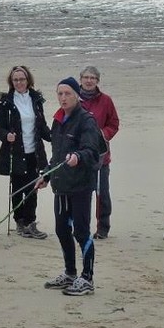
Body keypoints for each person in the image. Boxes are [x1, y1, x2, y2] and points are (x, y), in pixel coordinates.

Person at [37, 77, 101, 296]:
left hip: (81, 185)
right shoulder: (58, 119)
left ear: (76, 95)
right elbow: (57, 155)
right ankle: (70, 273)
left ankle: (87, 278)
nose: (63, 98)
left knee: (81, 231)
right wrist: (46, 175)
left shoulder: (86, 120)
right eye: (60, 94)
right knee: (62, 230)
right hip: (61, 184)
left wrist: (78, 156)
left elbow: (92, 152)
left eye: (67, 94)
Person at [0, 65, 51, 239]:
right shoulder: (5, 102)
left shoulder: (36, 99)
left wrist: (56, 137)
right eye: (15, 80)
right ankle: (20, 222)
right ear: (11, 82)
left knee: (34, 188)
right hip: (15, 152)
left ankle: (30, 222)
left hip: (34, 152)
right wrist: (6, 136)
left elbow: (41, 126)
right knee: (18, 189)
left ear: (28, 80)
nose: (19, 82)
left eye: (22, 79)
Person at [79, 66, 120, 239]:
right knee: (81, 194)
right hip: (79, 156)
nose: (89, 81)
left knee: (101, 193)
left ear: (97, 81)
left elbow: (114, 123)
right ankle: (81, 227)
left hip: (101, 157)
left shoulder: (106, 100)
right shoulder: (74, 98)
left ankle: (103, 228)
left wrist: (104, 134)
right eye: (86, 77)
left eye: (93, 78)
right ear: (81, 79)